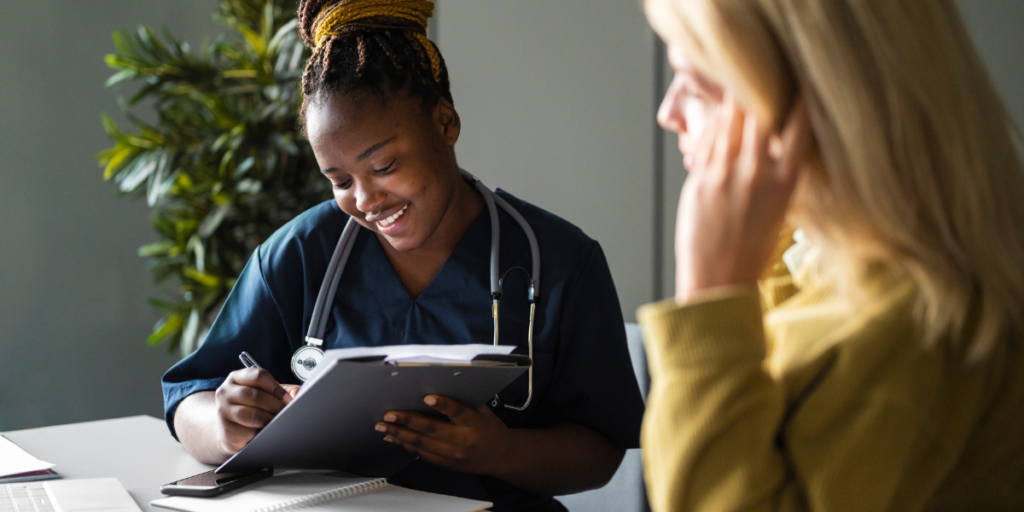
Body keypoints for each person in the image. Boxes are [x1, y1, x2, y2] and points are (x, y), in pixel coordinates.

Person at [161, 1, 644, 510]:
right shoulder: (301, 254)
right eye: (340, 181)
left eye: (385, 165)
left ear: (445, 123)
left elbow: (600, 451)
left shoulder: (561, 261)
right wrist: (223, 424)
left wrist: (502, 451)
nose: (366, 201)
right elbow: (188, 398)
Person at [638, 0, 1024, 510]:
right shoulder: (823, 262)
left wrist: (710, 295)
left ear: (809, 98)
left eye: (697, 82)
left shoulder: (913, 333)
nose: (667, 112)